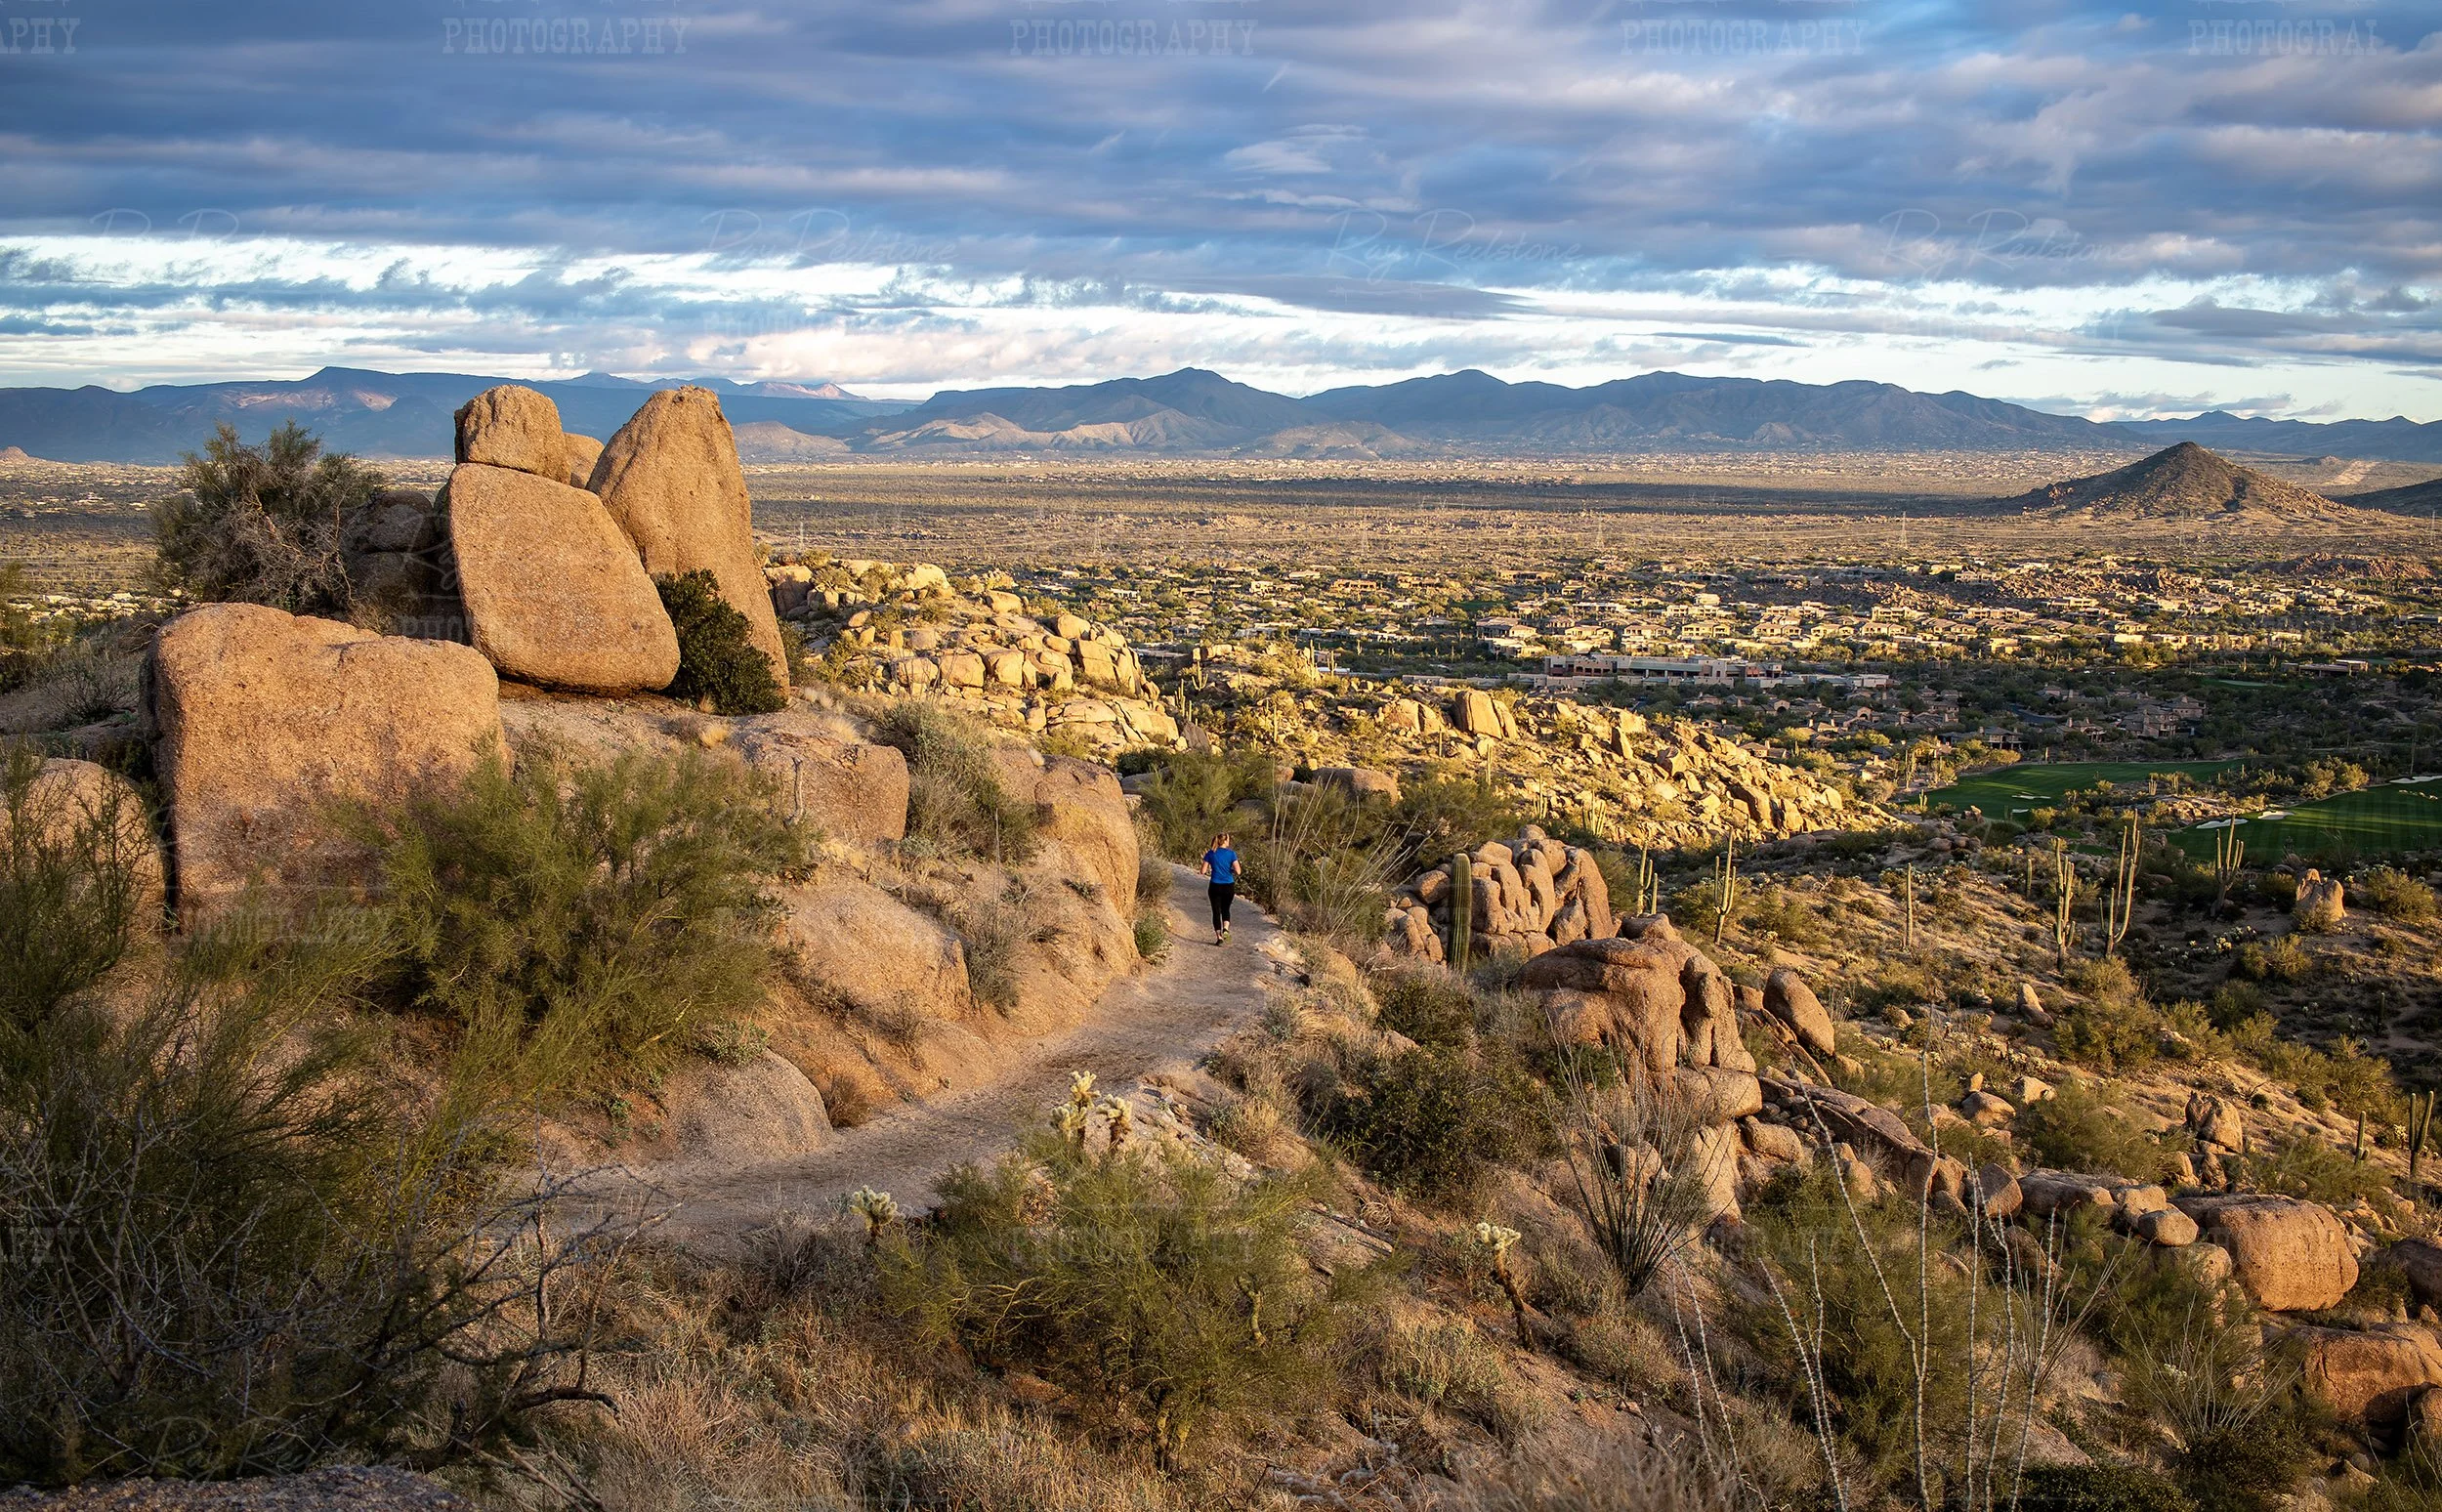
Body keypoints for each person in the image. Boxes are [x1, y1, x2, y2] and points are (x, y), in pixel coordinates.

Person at [1200, 832, 1239, 945]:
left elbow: (1202, 871)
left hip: (1215, 885)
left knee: (1216, 911)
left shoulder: (1211, 853)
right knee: (1226, 909)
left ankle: (1219, 938)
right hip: (1228, 885)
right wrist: (1229, 871)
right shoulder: (1232, 854)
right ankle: (1225, 928)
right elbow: (1238, 871)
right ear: (1225, 841)